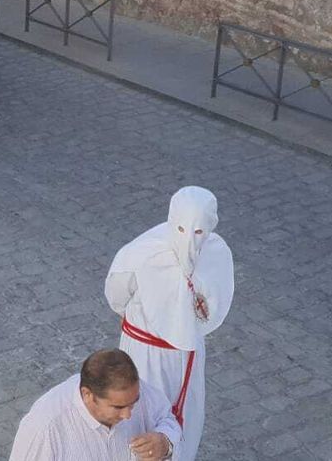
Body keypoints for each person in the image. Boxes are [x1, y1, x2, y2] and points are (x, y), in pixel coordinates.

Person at [104, 186, 234, 461]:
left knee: (187, 416)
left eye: (198, 232)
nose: (189, 242)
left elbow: (213, 304)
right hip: (143, 353)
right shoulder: (141, 253)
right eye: (183, 230)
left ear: (209, 227)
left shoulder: (216, 253)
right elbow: (117, 294)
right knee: (137, 416)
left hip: (185, 356)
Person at [8, 349, 179, 461]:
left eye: (133, 403)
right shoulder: (44, 427)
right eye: (118, 407)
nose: (128, 415)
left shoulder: (136, 393)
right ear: (87, 395)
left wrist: (164, 442)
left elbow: (167, 419)